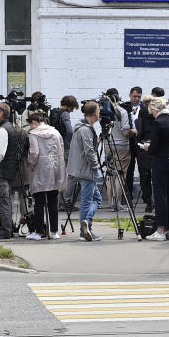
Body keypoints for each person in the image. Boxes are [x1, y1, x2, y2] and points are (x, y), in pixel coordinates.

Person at [141, 97, 169, 241]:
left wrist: (147, 146)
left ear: (155, 110)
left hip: (161, 161)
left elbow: (153, 148)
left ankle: (160, 230)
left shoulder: (158, 122)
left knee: (160, 195)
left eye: (151, 111)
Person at [26, 112, 66, 240]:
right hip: (55, 168)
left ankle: (38, 232)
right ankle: (54, 232)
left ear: (34, 123)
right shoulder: (56, 133)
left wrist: (31, 165)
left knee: (39, 202)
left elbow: (34, 153)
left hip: (40, 169)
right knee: (53, 201)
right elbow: (62, 149)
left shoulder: (33, 135)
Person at [67, 101, 103, 241]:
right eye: (99, 111)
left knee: (96, 198)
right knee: (87, 201)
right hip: (87, 170)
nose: (100, 113)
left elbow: (85, 147)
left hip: (79, 168)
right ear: (95, 113)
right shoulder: (86, 129)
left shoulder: (81, 127)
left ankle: (86, 224)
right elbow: (89, 152)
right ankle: (85, 228)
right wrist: (96, 166)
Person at [0, 102, 22, 240]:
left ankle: (5, 231)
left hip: (1, 172)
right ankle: (7, 229)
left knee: (2, 202)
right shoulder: (10, 127)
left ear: (1, 113)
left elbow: (0, 153)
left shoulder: (3, 130)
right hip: (7, 171)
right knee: (5, 202)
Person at [104, 88, 134, 211]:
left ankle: (111, 203)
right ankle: (117, 203)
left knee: (110, 174)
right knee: (120, 175)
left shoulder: (104, 112)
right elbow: (126, 132)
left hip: (108, 145)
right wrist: (134, 131)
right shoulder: (121, 111)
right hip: (121, 146)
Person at [123, 86, 149, 209]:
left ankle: (146, 194)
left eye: (139, 97)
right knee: (129, 169)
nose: (136, 99)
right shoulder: (125, 107)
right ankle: (128, 195)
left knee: (144, 168)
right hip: (129, 140)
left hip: (141, 140)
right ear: (130, 96)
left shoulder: (145, 108)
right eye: (134, 96)